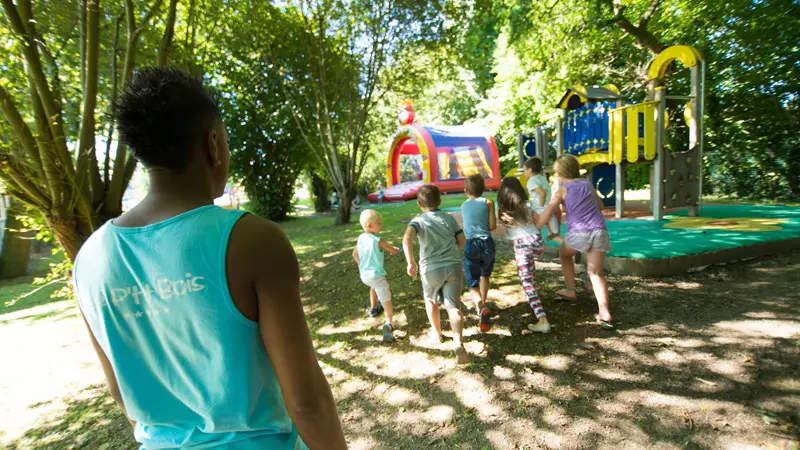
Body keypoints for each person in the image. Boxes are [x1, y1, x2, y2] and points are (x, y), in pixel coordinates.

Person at [72, 67, 346, 449]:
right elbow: (305, 400)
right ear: (213, 145)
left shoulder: (89, 259)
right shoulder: (253, 240)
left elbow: (122, 394)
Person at [402, 185, 469, 364]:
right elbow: (462, 240)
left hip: (430, 269)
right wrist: (453, 251)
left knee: (431, 301)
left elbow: (407, 238)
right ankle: (458, 342)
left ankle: (438, 334)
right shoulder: (448, 218)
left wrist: (411, 262)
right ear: (440, 201)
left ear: (418, 203)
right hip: (453, 266)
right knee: (454, 306)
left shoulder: (418, 221)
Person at [546, 154, 613, 328]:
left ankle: (570, 290)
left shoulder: (562, 190)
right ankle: (605, 312)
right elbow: (600, 206)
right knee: (596, 273)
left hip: (579, 233)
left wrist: (540, 224)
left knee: (565, 254)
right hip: (599, 230)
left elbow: (551, 209)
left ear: (560, 174)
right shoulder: (588, 184)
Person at [497, 177, 559, 333]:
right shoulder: (528, 205)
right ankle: (535, 293)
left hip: (522, 246)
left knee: (527, 284)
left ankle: (542, 319)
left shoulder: (503, 211)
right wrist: (551, 231)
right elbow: (546, 214)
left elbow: (503, 230)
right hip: (537, 243)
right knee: (530, 272)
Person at [352, 209, 399, 343]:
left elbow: (354, 254)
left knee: (373, 287)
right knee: (386, 299)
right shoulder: (379, 240)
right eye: (378, 223)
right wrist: (395, 249)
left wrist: (361, 265)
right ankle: (388, 323)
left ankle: (373, 309)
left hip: (365, 276)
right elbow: (393, 251)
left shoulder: (361, 238)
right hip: (377, 277)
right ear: (369, 225)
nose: (381, 225)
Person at [460, 174, 497, 332]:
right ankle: (483, 303)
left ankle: (481, 307)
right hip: (487, 243)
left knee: (471, 283)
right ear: (483, 189)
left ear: (466, 190)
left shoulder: (463, 205)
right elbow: (493, 226)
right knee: (485, 275)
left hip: (471, 244)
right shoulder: (489, 202)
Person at [524, 157, 560, 239]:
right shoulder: (542, 178)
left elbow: (542, 192)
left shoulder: (531, 181)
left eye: (525, 170)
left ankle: (527, 225)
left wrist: (541, 204)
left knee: (524, 204)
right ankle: (554, 231)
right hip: (548, 203)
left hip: (539, 204)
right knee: (551, 217)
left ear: (529, 170)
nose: (524, 173)